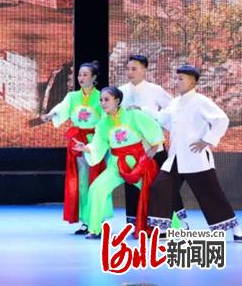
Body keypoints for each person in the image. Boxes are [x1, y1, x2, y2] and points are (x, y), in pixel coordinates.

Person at [146, 65, 242, 242]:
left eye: (181, 78)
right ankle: (166, 227)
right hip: (176, 158)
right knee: (160, 186)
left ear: (192, 82)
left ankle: (235, 228)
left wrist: (207, 140)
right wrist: (143, 110)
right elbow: (163, 118)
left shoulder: (201, 101)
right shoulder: (175, 102)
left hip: (195, 157)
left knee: (211, 193)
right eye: (177, 78)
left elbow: (222, 119)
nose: (177, 81)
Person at [75, 87, 163, 239]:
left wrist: (154, 147)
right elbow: (98, 144)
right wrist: (86, 148)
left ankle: (171, 225)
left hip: (137, 163)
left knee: (155, 191)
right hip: (116, 165)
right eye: (101, 100)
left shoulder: (133, 115)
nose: (103, 103)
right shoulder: (103, 124)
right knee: (96, 188)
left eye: (106, 99)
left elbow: (152, 128)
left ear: (117, 101)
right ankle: (94, 229)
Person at [41, 61, 111, 234]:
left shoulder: (101, 97)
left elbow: (106, 118)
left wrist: (100, 141)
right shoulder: (72, 97)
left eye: (85, 75)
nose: (81, 78)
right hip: (78, 141)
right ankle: (86, 221)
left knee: (97, 181)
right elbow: (62, 109)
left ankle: (99, 219)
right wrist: (51, 114)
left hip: (97, 141)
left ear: (94, 77)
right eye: (79, 74)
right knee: (82, 181)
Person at [118, 54, 187, 229]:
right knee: (132, 184)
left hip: (154, 146)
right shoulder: (120, 91)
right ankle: (135, 223)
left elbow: (172, 110)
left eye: (134, 69)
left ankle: (178, 222)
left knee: (163, 184)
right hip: (130, 149)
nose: (130, 72)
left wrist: (173, 131)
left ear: (144, 70)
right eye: (128, 69)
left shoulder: (155, 90)